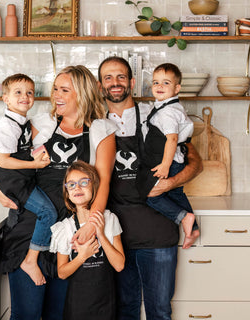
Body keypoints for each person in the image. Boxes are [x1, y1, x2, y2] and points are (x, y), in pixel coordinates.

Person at [0, 65, 117, 320]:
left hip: (68, 234)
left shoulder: (102, 130)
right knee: (27, 313)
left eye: (64, 90)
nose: (56, 95)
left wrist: (92, 224)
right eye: (55, 89)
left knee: (57, 314)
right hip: (31, 226)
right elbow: (1, 155)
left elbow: (103, 184)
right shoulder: (41, 124)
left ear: (81, 94)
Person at [97, 56, 202, 320]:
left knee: (159, 311)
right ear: (100, 86)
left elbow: (194, 161)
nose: (115, 83)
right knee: (124, 310)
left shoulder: (154, 114)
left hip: (157, 232)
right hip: (116, 234)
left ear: (132, 82)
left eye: (121, 76)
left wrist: (170, 182)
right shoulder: (96, 122)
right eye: (108, 78)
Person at [0, 73, 57, 286]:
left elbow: (18, 150)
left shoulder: (22, 122)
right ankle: (30, 261)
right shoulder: (8, 126)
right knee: (47, 212)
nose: (25, 96)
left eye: (29, 93)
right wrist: (34, 165)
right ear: (5, 98)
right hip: (14, 182)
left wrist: (38, 155)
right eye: (18, 93)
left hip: (21, 179)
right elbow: (4, 161)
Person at [50, 160, 125, 320]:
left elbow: (119, 265)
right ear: (67, 193)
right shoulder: (64, 228)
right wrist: (82, 256)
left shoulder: (110, 219)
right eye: (71, 185)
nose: (77, 187)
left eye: (83, 182)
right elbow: (62, 273)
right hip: (78, 305)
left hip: (106, 302)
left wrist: (101, 234)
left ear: (95, 187)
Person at [142, 63, 197, 242]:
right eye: (156, 82)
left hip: (170, 161)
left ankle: (184, 217)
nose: (159, 86)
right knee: (175, 194)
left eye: (166, 83)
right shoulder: (168, 107)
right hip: (177, 159)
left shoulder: (167, 112)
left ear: (177, 88)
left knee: (150, 195)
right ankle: (193, 229)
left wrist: (165, 166)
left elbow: (172, 139)